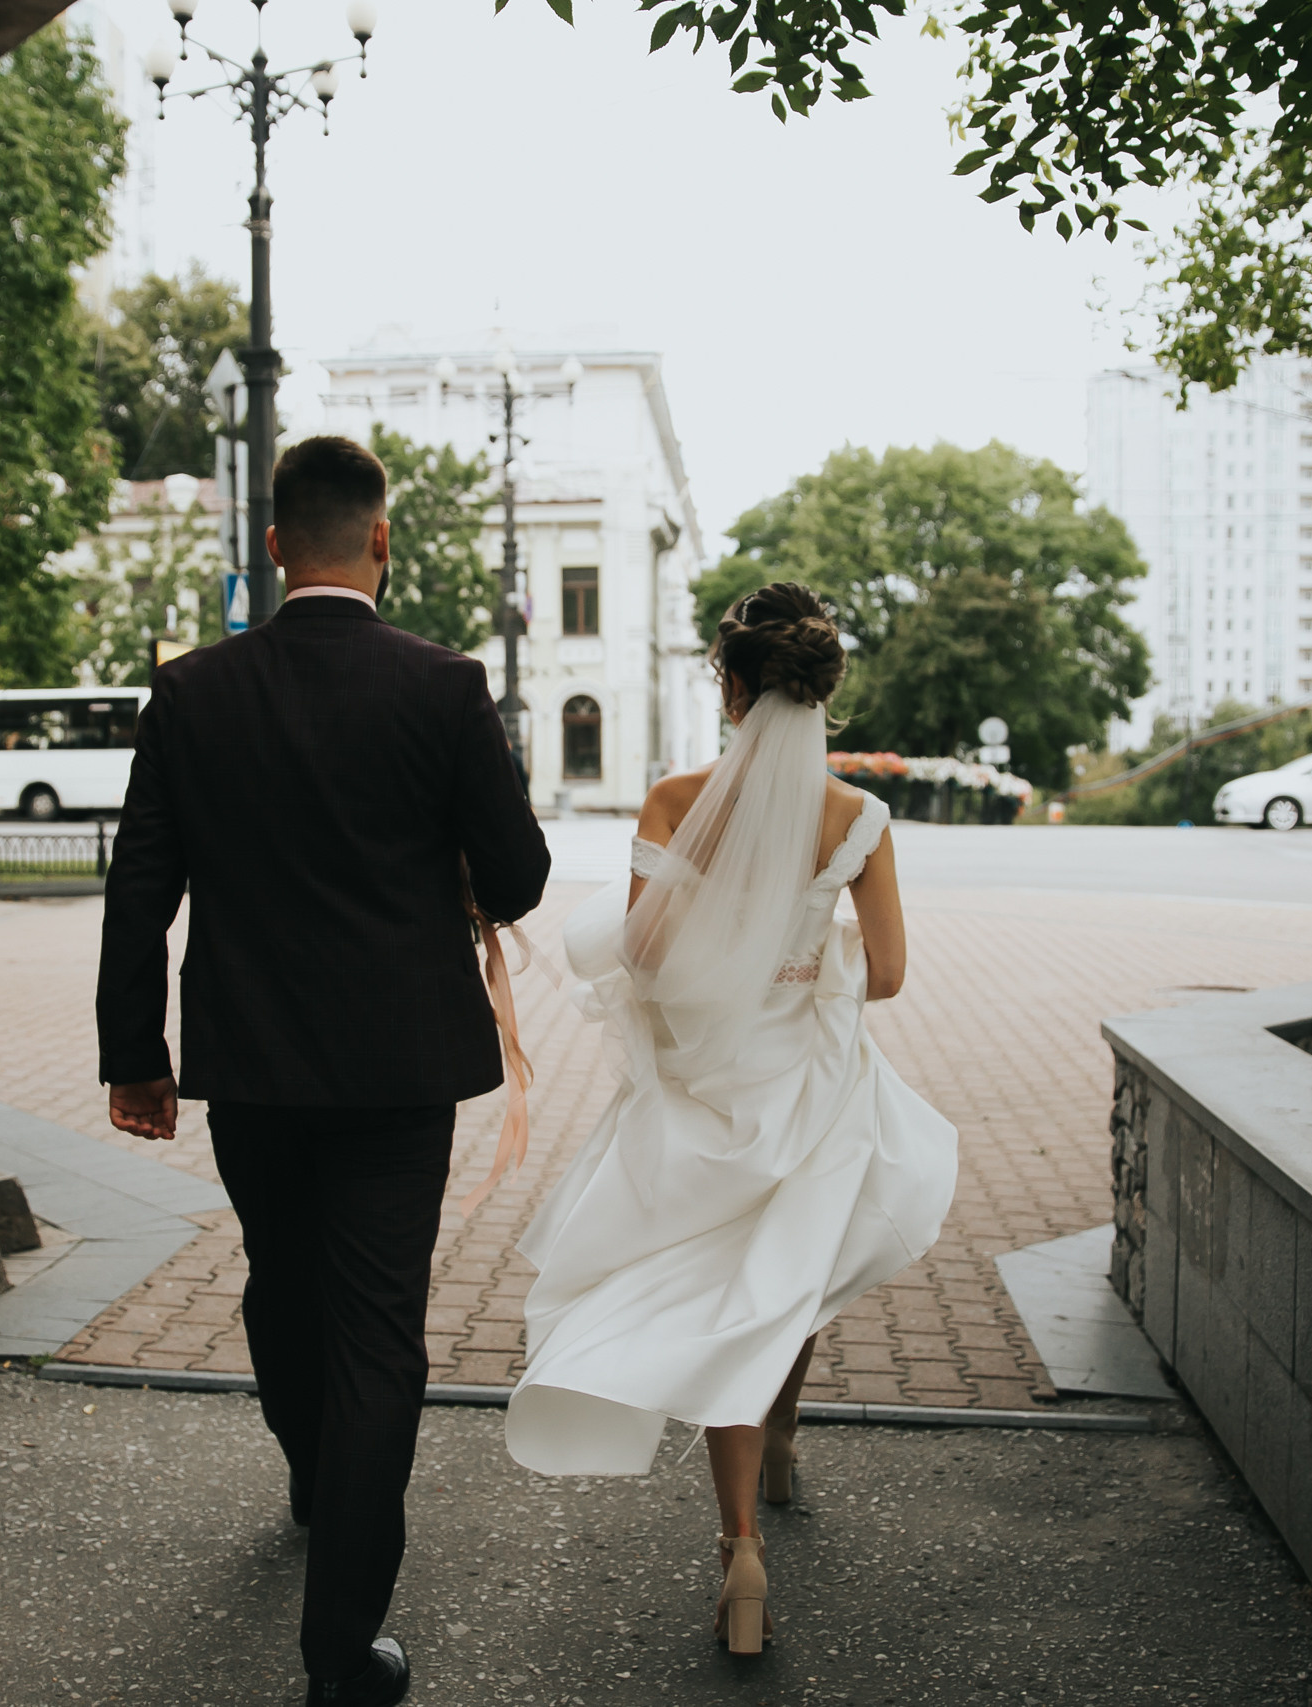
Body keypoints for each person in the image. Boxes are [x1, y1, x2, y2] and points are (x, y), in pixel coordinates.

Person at [96, 435, 549, 1707]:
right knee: (377, 1335)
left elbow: (139, 891)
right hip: (399, 1071)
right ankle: (340, 1652)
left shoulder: (191, 692)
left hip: (247, 1064)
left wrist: (136, 1058)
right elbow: (517, 877)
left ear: (274, 545)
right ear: (381, 541)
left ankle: (313, 1466)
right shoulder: (445, 686)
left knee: (281, 1285)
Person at [502, 581, 960, 1656]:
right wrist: (808, 960)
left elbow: (647, 954)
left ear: (731, 688)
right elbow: (889, 974)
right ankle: (782, 1434)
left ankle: (740, 1546)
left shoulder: (674, 799)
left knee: (725, 1295)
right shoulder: (858, 818)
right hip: (809, 1080)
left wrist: (732, 963)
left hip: (704, 1086)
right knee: (786, 1275)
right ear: (821, 690)